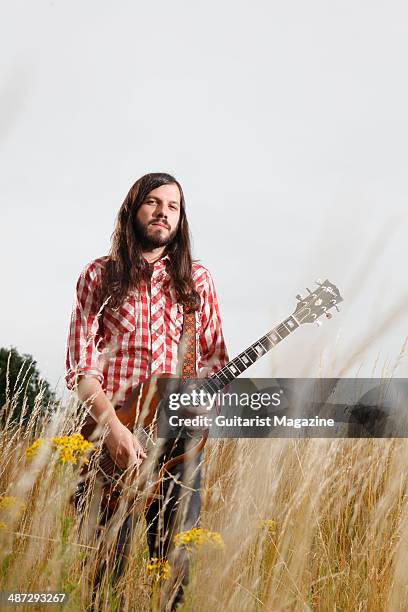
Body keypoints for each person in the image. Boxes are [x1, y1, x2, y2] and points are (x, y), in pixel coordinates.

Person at [65, 172, 228, 608]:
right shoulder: (98, 276)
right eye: (153, 203)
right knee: (102, 575)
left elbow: (215, 361)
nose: (163, 213)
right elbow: (80, 367)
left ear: (181, 219)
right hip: (110, 434)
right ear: (133, 209)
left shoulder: (198, 281)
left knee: (174, 572)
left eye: (173, 207)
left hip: (178, 442)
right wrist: (114, 429)